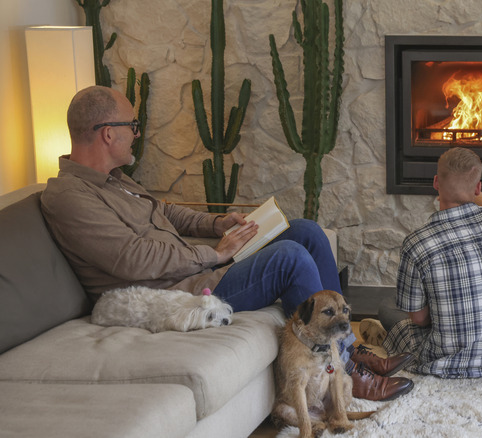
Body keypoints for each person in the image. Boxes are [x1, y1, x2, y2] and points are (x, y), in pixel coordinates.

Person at [40, 85, 412, 401]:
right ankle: (342, 372)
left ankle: (348, 347)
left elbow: (166, 212)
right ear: (108, 133)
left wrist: (217, 223)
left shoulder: (115, 179)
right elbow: (133, 259)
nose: (137, 133)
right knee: (290, 257)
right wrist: (215, 253)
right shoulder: (70, 196)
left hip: (195, 272)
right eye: (132, 125)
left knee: (306, 231)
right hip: (173, 297)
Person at [376, 147, 482, 378]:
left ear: (436, 183)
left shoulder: (418, 244)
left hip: (447, 361)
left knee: (388, 307)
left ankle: (386, 339)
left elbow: (419, 319)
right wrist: (470, 190)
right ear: (478, 188)